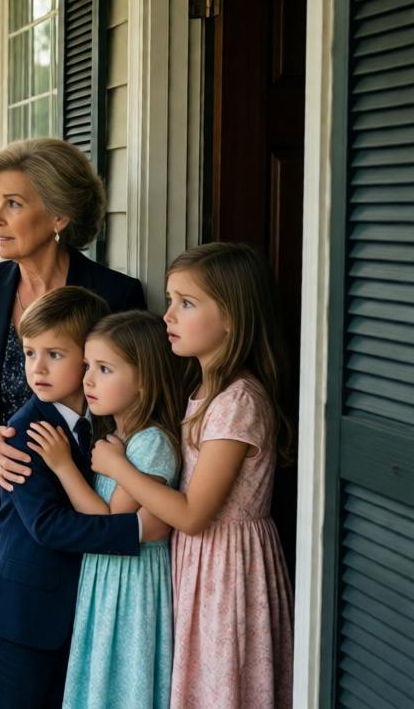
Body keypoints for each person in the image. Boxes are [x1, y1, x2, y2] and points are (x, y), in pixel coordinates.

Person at [0, 137, 146, 707]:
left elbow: (132, 403)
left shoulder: (116, 295)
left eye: (13, 204)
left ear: (59, 216)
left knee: (46, 675)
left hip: (69, 512)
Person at [92, 243, 293, 708]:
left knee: (223, 688)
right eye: (170, 300)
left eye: (187, 303)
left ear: (232, 317)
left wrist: (119, 467)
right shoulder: (202, 390)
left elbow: (195, 514)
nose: (168, 317)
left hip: (229, 571)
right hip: (200, 566)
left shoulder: (238, 403)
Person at [0, 287, 144, 709]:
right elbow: (47, 524)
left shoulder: (103, 423)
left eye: (55, 354)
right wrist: (135, 530)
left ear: (88, 359)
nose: (38, 368)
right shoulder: (25, 431)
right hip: (21, 615)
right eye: (30, 353)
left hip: (73, 614)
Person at [28, 310, 184, 708]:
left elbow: (110, 521)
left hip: (130, 583)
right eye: (87, 367)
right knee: (99, 676)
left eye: (104, 369)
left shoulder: (150, 443)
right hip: (107, 577)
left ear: (145, 378)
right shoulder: (116, 438)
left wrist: (65, 467)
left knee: (121, 679)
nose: (88, 381)